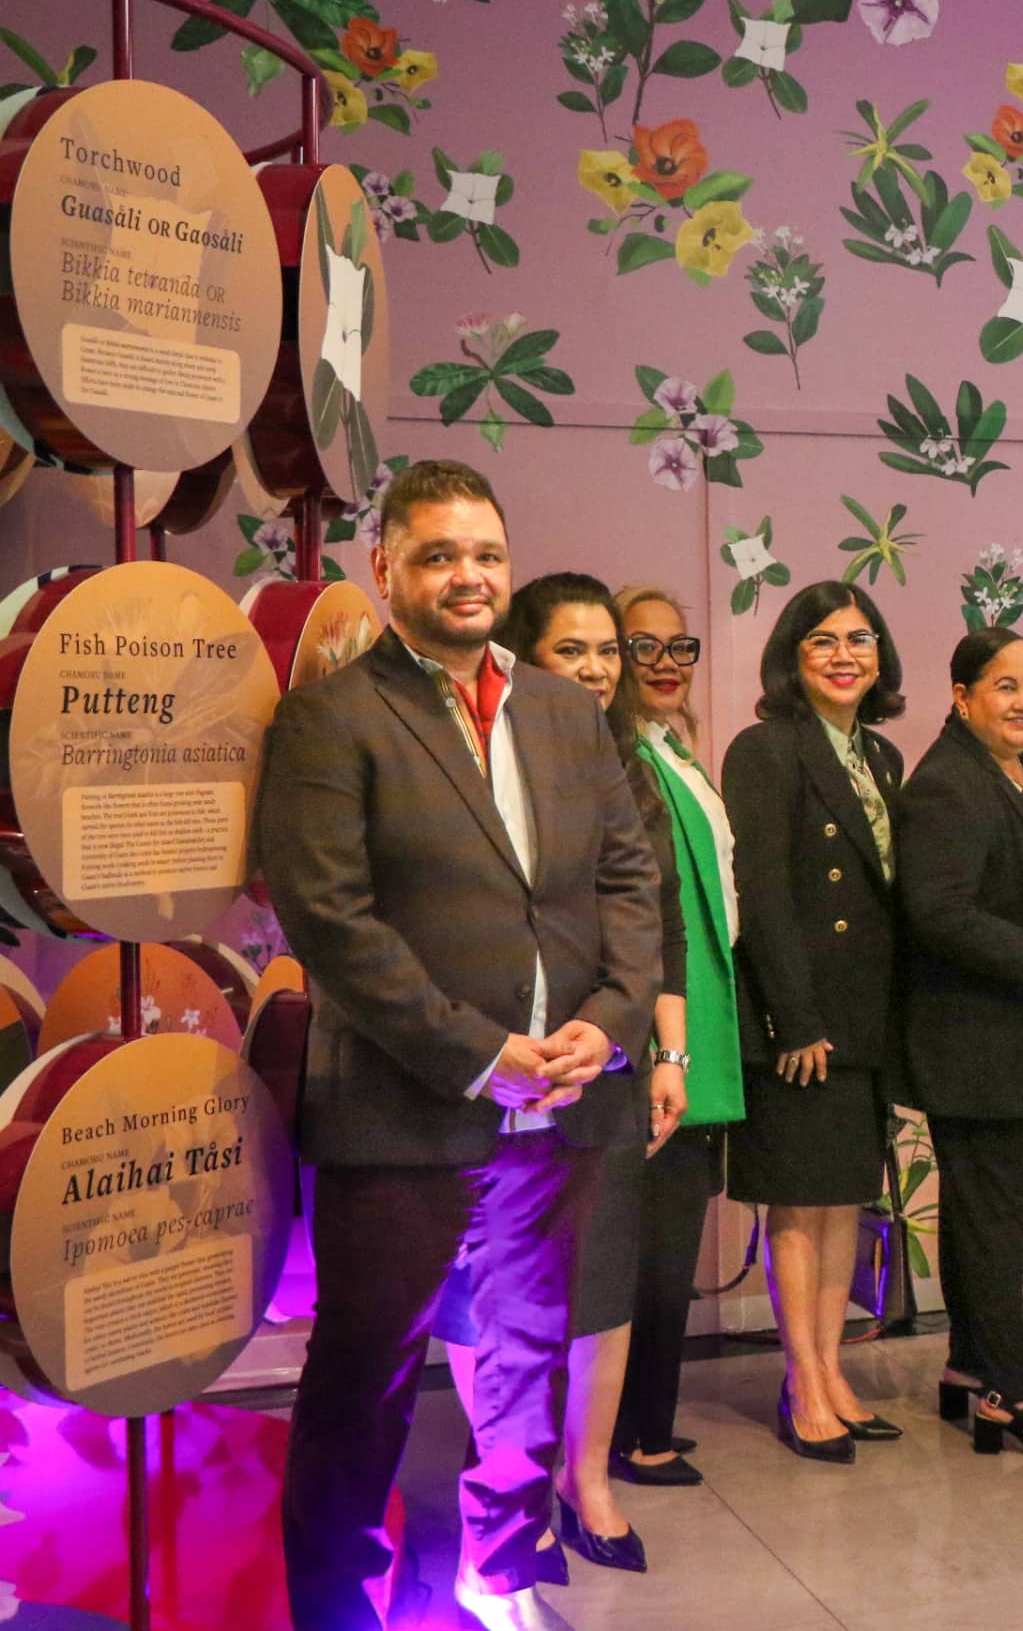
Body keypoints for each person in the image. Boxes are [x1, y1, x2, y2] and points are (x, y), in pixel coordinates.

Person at [260, 461, 659, 1631]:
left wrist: (613, 1017)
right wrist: (480, 1051)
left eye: (485, 552)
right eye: (438, 555)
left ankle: (506, 1566)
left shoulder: (562, 707)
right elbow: (330, 919)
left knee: (527, 1352)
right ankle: (334, 1602)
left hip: (564, 1102)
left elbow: (628, 883)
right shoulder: (334, 717)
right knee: (365, 1374)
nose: (469, 575)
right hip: (405, 1105)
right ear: (385, 571)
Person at [430, 575, 693, 1578]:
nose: (593, 668)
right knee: (484, 1285)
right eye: (569, 650)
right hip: (490, 1060)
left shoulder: (628, 764)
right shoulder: (467, 757)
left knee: (600, 1278)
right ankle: (507, 1473)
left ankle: (586, 1479)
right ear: (519, 659)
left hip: (609, 1055)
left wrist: (662, 1050)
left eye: (606, 651)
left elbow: (656, 921)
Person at [898, 626, 1023, 1460]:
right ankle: (1008, 1392)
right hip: (975, 1041)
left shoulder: (1017, 773)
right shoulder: (949, 783)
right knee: (990, 1219)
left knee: (984, 1211)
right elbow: (940, 914)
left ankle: (963, 1369)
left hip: (1008, 1041)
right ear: (961, 697)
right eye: (1003, 687)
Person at [724, 581, 909, 1463]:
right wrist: (793, 1021)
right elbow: (762, 897)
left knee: (846, 1203)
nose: (846, 656)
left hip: (864, 1019)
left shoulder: (882, 757)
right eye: (824, 641)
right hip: (799, 1028)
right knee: (798, 1206)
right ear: (792, 659)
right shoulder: (765, 751)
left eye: (861, 640)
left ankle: (833, 1369)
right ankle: (800, 1380)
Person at [611, 586, 745, 1489]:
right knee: (655, 1242)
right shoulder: (621, 757)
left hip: (700, 1014)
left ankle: (640, 1418)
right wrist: (671, 1047)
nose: (666, 662)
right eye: (642, 645)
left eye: (681, 646)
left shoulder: (671, 750)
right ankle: (636, 1431)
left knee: (670, 1235)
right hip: (668, 1021)